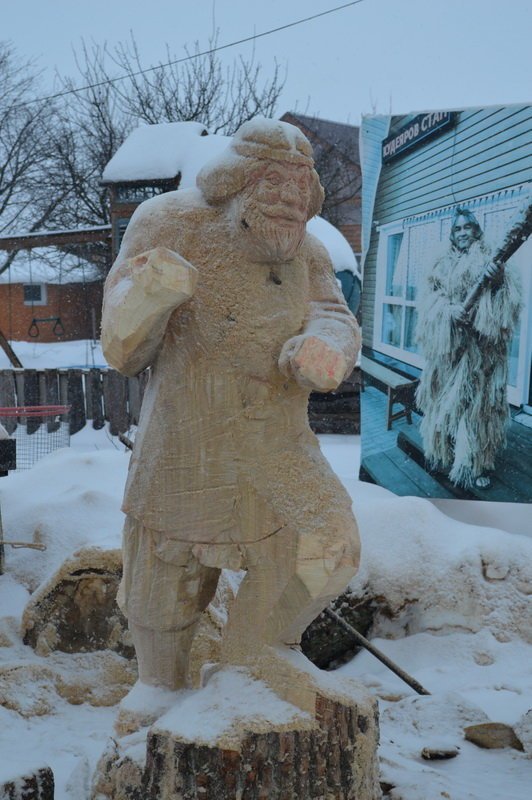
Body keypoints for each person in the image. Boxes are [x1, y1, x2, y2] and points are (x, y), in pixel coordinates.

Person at [101, 118, 360, 712]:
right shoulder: (168, 222)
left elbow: (333, 312)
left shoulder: (307, 249)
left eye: (302, 193)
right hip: (189, 444)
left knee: (330, 546)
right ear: (236, 183)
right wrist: (149, 295)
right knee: (165, 586)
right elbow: (121, 351)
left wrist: (324, 343)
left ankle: (258, 657)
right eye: (275, 186)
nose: (290, 204)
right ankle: (158, 690)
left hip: (277, 444)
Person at [415, 207, 521, 489]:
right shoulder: (438, 264)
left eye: (467, 227)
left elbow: (508, 310)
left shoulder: (493, 261)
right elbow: (428, 304)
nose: (463, 233)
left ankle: (474, 464)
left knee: (477, 412)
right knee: (443, 406)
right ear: (452, 234)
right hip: (448, 352)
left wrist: (497, 283)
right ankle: (442, 453)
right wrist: (449, 312)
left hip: (480, 355)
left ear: (477, 231)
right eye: (457, 229)